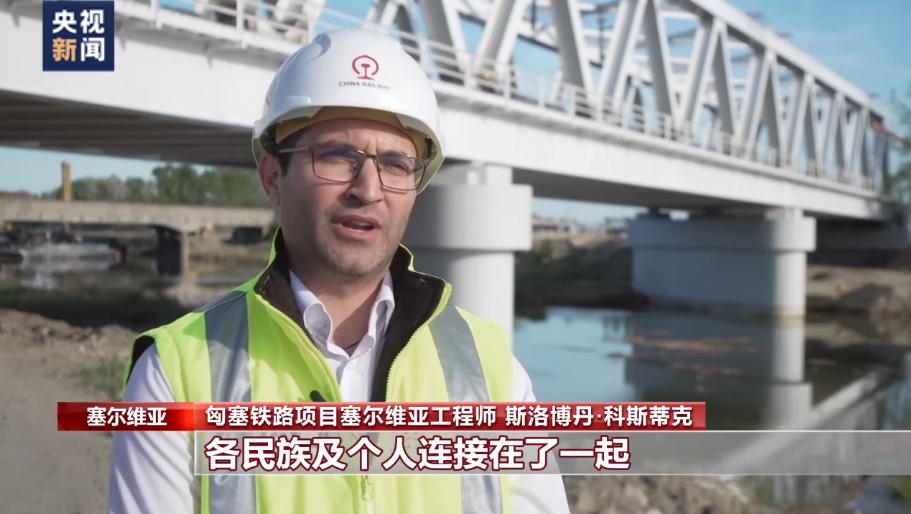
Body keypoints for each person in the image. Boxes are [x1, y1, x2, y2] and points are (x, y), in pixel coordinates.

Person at [108, 28, 571, 514]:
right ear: (273, 178)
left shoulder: (493, 373)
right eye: (336, 156)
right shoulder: (175, 373)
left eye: (396, 164)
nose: (368, 189)